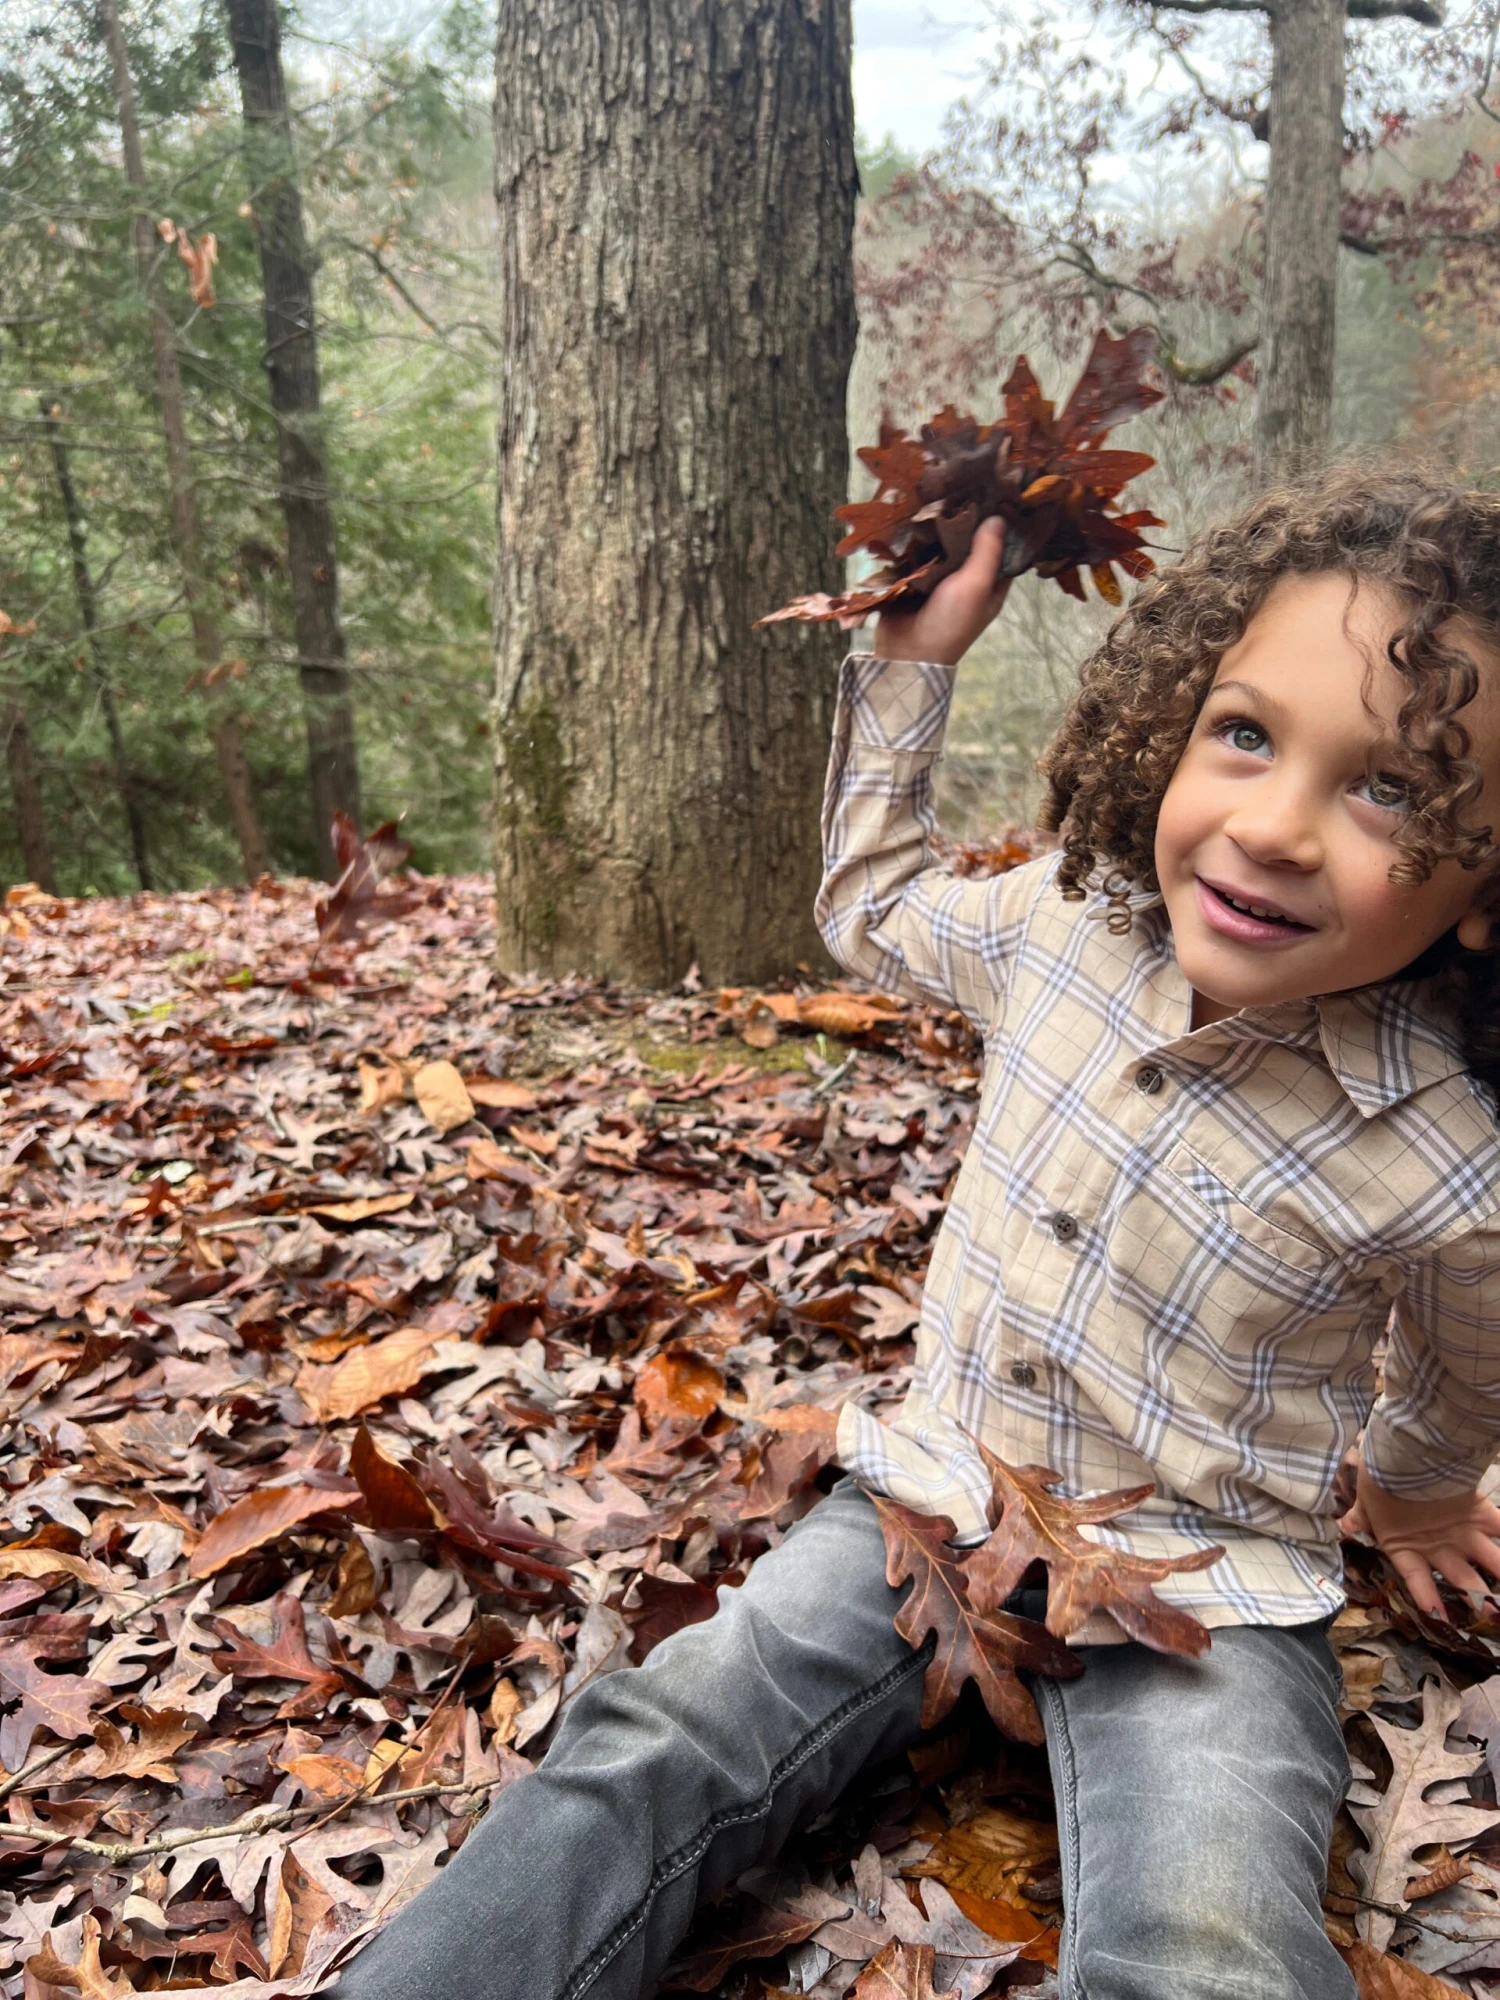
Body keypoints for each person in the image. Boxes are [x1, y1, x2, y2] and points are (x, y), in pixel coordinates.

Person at [330, 467, 1500, 2000]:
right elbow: (874, 899)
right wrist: (912, 665)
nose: (1274, 827)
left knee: (1209, 1942)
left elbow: (1465, 1360)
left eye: (1392, 789)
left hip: (1209, 1587)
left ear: (1486, 884)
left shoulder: (1442, 1156)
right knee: (660, 1735)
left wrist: (1417, 1495)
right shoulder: (1064, 928)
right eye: (1244, 734)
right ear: (1171, 725)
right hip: (934, 1504)